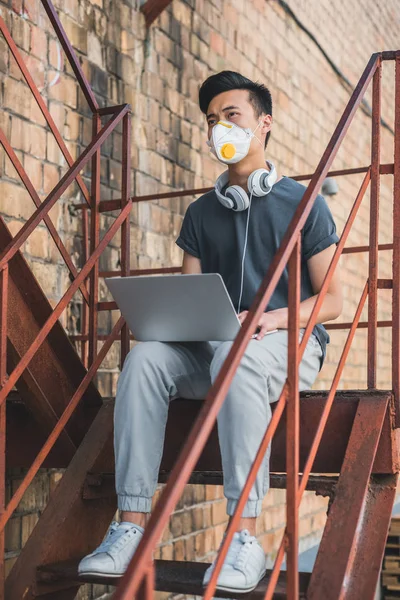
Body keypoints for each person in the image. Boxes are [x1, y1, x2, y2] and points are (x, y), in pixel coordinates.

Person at [78, 70, 342, 593]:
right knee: (146, 358)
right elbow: (190, 298)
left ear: (263, 124)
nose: (219, 126)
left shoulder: (305, 203)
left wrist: (270, 318)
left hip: (286, 343)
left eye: (231, 115)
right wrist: (168, 322)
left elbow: (331, 300)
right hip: (220, 347)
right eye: (211, 120)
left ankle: (244, 538)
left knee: (235, 356)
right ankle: (131, 527)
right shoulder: (201, 213)